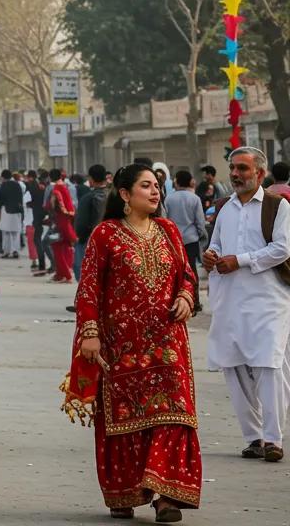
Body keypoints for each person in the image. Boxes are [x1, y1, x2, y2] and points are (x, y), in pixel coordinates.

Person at [62, 163, 199, 522]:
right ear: (124, 194)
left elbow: (187, 274)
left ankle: (166, 496)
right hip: (120, 346)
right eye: (146, 186)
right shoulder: (105, 235)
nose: (155, 192)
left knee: (174, 414)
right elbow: (89, 287)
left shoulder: (168, 230)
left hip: (168, 343)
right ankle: (124, 490)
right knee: (124, 420)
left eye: (156, 186)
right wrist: (89, 335)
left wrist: (186, 296)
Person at [204, 146, 290, 463]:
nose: (236, 174)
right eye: (233, 168)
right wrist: (211, 256)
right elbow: (215, 243)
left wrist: (239, 261)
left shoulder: (276, 206)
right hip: (230, 299)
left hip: (268, 299)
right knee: (234, 365)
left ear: (260, 173)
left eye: (243, 168)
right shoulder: (225, 207)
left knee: (269, 364)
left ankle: (272, 438)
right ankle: (253, 437)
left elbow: (282, 249)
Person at [165, 170, 208, 313]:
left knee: (175, 272)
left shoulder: (169, 199)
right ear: (190, 182)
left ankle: (176, 301)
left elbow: (165, 220)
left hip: (174, 240)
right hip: (191, 240)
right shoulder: (194, 198)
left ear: (176, 182)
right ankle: (194, 301)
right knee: (192, 271)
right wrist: (203, 236)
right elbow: (200, 222)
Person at [73, 164, 109, 282]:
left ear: (91, 179)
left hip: (91, 239)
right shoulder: (116, 196)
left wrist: (80, 236)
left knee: (83, 271)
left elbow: (81, 223)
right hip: (113, 240)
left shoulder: (88, 198)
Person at [48, 167, 77, 283]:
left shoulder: (56, 188)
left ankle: (65, 274)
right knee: (66, 246)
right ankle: (61, 273)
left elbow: (56, 204)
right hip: (67, 219)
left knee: (57, 247)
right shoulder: (65, 186)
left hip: (60, 220)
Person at [0, 170, 24, 258]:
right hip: (16, 211)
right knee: (15, 232)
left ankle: (7, 251)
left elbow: (0, 200)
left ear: (3, 177)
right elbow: (20, 199)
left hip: (5, 211)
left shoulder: (3, 186)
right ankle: (15, 250)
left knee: (6, 232)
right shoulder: (17, 184)